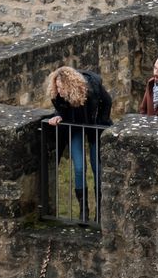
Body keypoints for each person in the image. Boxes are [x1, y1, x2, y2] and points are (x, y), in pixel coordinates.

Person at [45, 65, 112, 219]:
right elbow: (62, 110)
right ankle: (84, 211)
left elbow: (107, 101)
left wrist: (100, 123)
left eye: (61, 87)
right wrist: (59, 115)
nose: (59, 90)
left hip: (94, 126)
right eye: (57, 86)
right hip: (75, 128)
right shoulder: (56, 95)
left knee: (97, 166)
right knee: (79, 167)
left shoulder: (92, 87)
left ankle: (100, 211)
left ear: (70, 85)